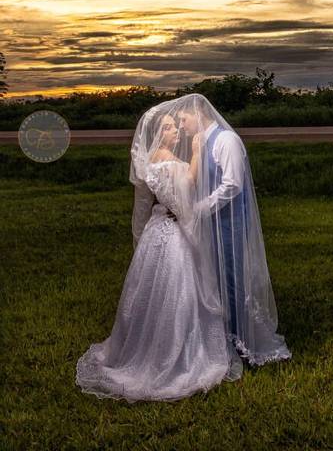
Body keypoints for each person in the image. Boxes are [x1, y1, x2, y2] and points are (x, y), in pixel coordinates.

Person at [76, 108, 241, 402]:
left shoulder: (150, 162)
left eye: (175, 126)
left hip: (156, 228)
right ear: (157, 136)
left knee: (154, 291)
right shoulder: (165, 159)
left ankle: (148, 343)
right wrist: (197, 151)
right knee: (179, 290)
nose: (175, 130)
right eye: (167, 128)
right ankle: (171, 354)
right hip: (172, 229)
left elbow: (145, 203)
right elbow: (187, 185)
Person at [174, 94, 291, 365]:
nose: (181, 125)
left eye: (184, 119)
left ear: (200, 114)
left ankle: (239, 341)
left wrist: (200, 208)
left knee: (231, 279)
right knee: (212, 279)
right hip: (211, 225)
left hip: (229, 225)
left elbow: (233, 184)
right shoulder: (201, 142)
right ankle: (218, 337)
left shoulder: (227, 140)